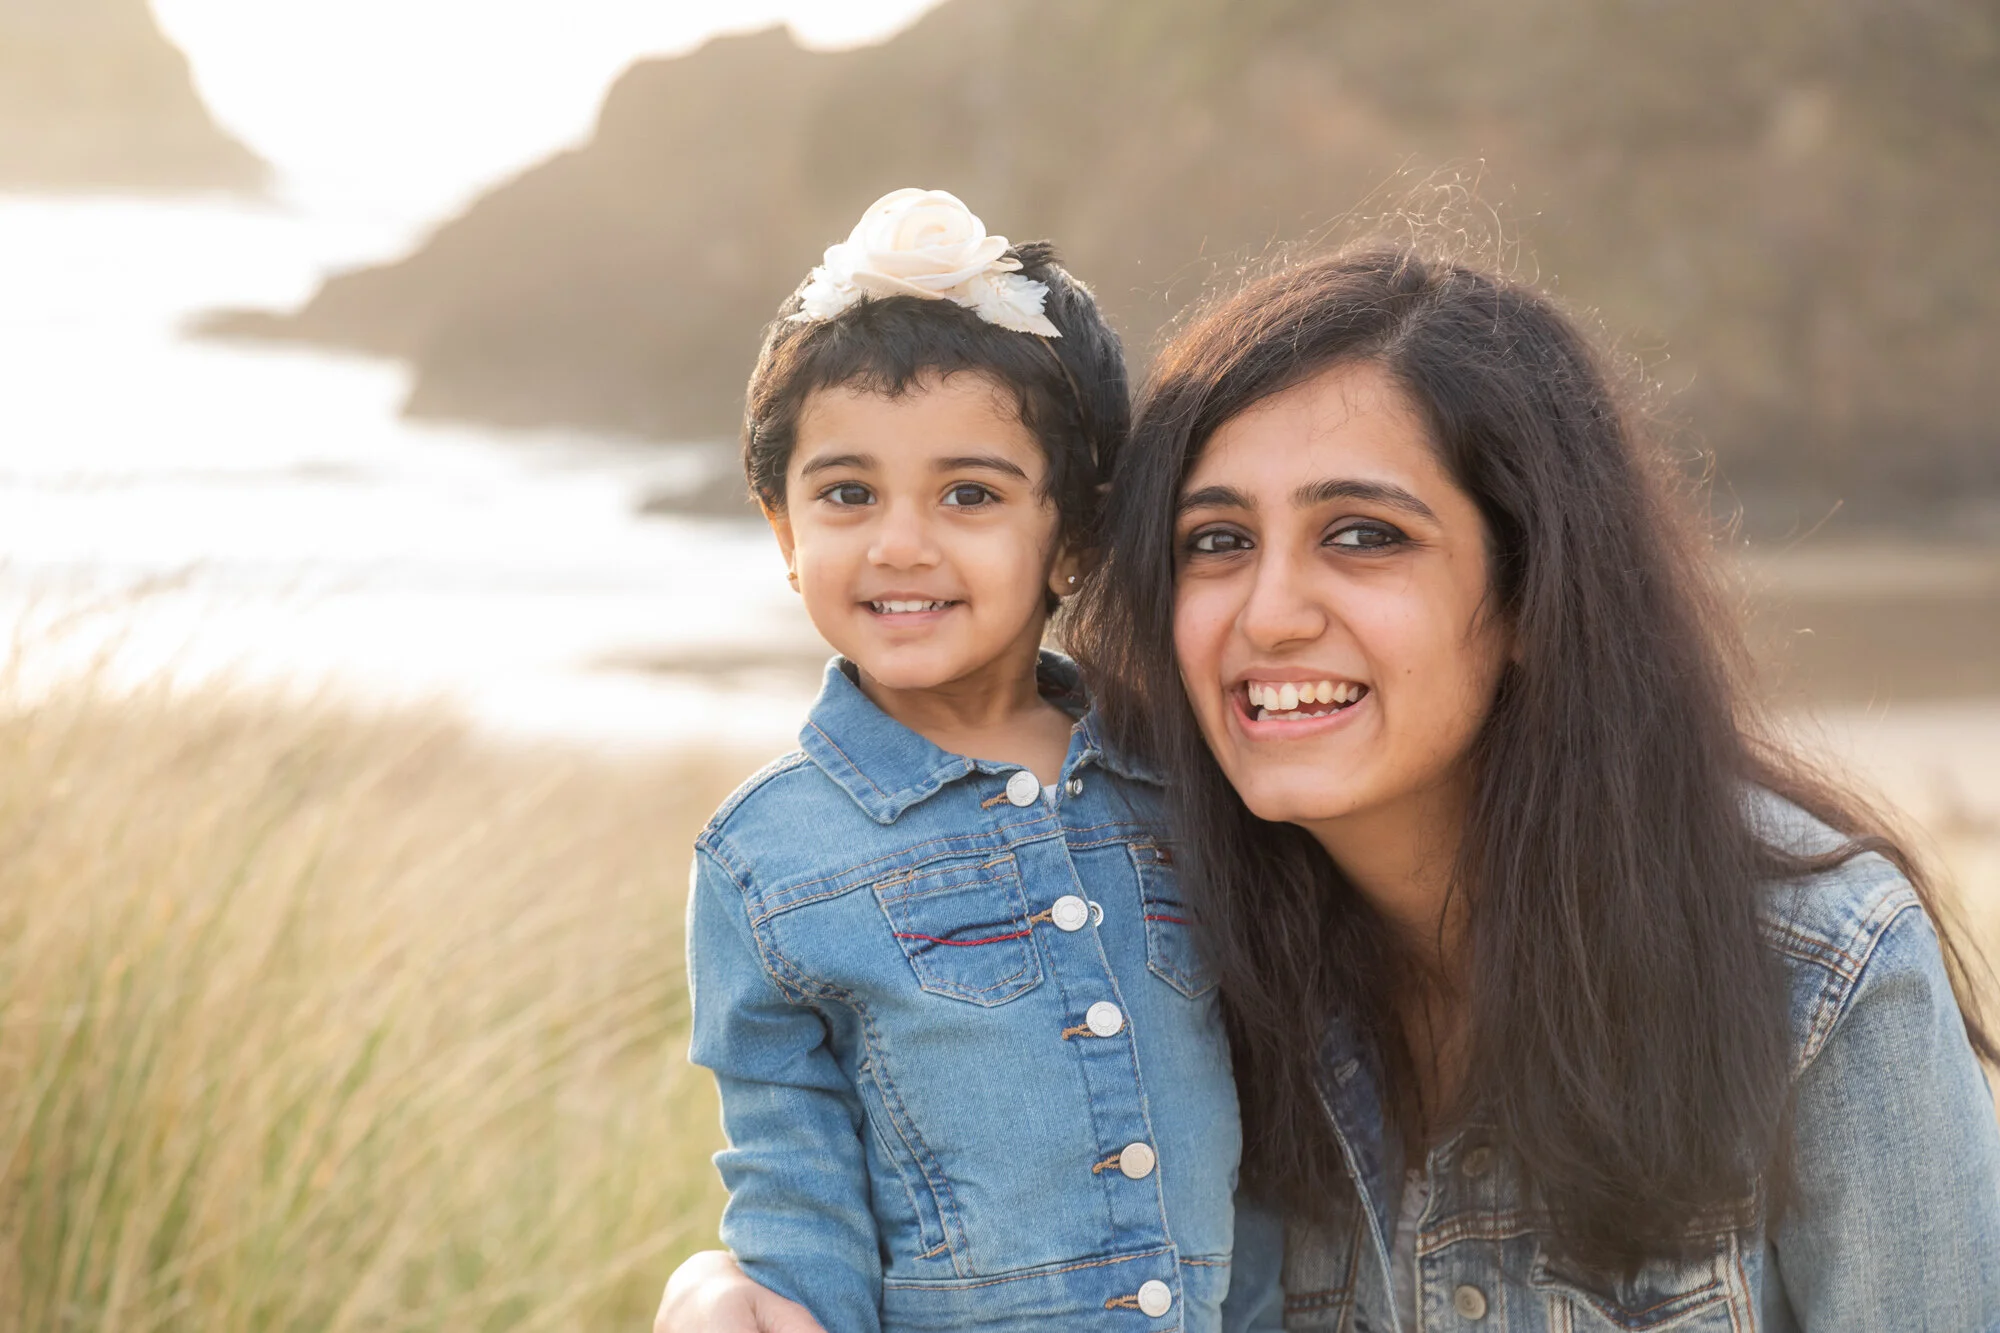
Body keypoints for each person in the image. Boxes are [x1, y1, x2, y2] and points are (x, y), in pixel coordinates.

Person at [661, 243, 2000, 1331]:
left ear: (1532, 592)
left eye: (1363, 534)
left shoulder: (1818, 972)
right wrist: (720, 1288)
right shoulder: (1176, 930)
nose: (1270, 612)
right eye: (1215, 540)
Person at [680, 186, 1282, 1333]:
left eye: (969, 494)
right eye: (847, 493)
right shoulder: (764, 861)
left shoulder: (1187, 777)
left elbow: (1281, 1155)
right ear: (783, 530)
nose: (900, 542)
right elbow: (797, 1205)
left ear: (1074, 537)